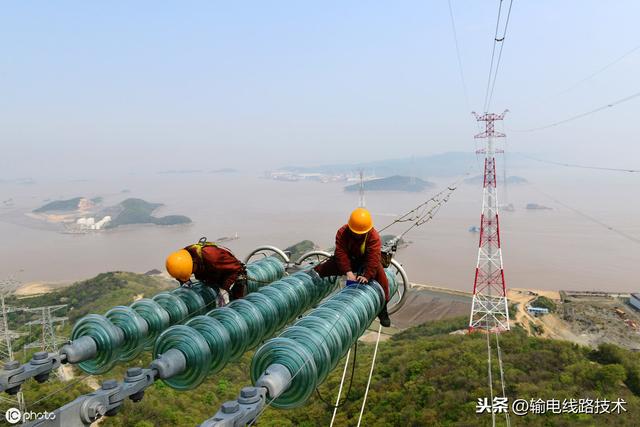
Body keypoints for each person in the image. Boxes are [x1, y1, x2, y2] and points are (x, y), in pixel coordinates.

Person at [315, 208, 391, 327]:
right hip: (349, 260)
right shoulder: (342, 232)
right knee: (323, 269)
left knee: (382, 279)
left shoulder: (373, 236)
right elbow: (340, 253)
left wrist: (367, 276)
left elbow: (373, 258)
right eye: (355, 232)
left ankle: (383, 310)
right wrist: (348, 272)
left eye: (361, 233)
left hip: (365, 261)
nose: (357, 234)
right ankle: (313, 282)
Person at [165, 238, 247, 301]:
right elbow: (181, 274)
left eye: (191, 272)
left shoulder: (213, 257)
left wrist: (224, 289)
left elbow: (237, 269)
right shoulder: (183, 258)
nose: (191, 273)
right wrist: (185, 282)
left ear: (194, 262)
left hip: (230, 274)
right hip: (211, 275)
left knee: (236, 304)